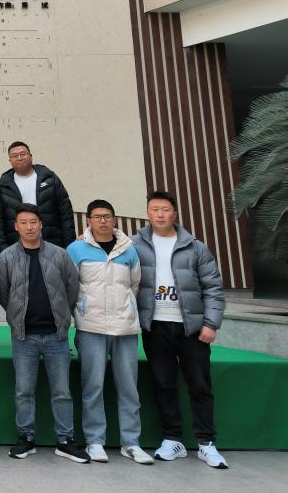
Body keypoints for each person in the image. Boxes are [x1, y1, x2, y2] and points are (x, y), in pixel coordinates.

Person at [132, 191, 227, 469]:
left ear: (174, 213)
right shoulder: (134, 244)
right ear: (147, 213)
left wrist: (210, 323)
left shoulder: (195, 246)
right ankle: (172, 438)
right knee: (164, 384)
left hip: (191, 328)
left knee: (200, 385)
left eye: (165, 209)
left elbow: (213, 287)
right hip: (155, 325)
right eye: (154, 209)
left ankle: (206, 443)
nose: (160, 214)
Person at [0, 204, 85, 462]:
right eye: (23, 222)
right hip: (24, 336)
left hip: (56, 335)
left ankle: (65, 440)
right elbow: (2, 291)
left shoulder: (59, 255)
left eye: (33, 222)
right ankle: (26, 438)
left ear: (41, 224)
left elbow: (72, 287)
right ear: (16, 226)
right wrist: (16, 313)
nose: (29, 227)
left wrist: (62, 315)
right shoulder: (7, 257)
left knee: (62, 391)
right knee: (24, 390)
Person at [67, 199, 152, 465]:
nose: (102, 221)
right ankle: (95, 441)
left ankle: (131, 442)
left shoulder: (129, 249)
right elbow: (70, 286)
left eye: (107, 216)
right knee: (93, 386)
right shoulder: (76, 249)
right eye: (97, 216)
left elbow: (134, 284)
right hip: (90, 326)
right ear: (88, 220)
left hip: (124, 327)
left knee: (129, 387)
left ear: (114, 220)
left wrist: (126, 308)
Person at [0, 141, 74, 254]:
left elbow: (66, 212)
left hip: (52, 244)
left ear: (30, 156)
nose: (19, 158)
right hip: (17, 248)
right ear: (10, 160)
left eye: (23, 154)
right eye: (14, 156)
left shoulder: (50, 178)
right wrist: (4, 252)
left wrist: (69, 246)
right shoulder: (2, 185)